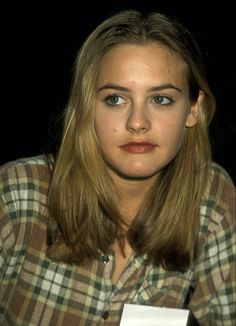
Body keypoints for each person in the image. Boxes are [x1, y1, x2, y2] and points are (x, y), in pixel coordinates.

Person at [0, 9, 235, 326]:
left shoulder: (213, 202)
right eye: (115, 99)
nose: (138, 123)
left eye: (161, 99)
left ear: (194, 109)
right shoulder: (16, 197)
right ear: (87, 108)